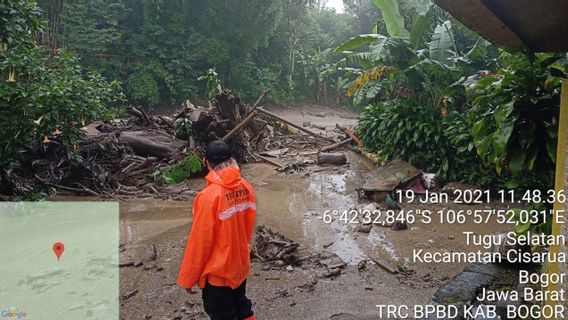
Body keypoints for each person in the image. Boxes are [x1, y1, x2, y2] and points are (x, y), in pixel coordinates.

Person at [177, 140, 257, 320]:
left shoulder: (208, 196)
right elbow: (247, 226)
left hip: (218, 274)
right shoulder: (246, 187)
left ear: (207, 163)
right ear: (231, 160)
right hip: (240, 265)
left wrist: (189, 277)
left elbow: (200, 241)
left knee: (223, 314)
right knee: (241, 306)